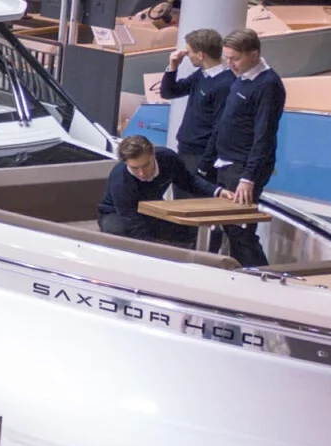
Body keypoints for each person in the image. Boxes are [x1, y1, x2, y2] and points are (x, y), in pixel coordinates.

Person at [210, 28, 286, 267]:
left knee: (240, 230)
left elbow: (264, 135)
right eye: (227, 58)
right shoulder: (241, 77)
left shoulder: (268, 85)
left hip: (243, 167)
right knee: (227, 226)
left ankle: (262, 275)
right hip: (226, 162)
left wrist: (248, 177)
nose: (229, 64)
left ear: (253, 55)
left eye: (235, 58)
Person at [99, 134, 228, 246]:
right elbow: (133, 223)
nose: (142, 173)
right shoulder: (120, 180)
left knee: (199, 231)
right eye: (135, 168)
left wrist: (218, 191)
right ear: (126, 163)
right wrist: (157, 250)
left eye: (146, 165)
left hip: (151, 209)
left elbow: (188, 181)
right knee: (120, 231)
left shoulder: (167, 158)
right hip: (116, 212)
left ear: (153, 154)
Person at [159, 28, 234, 185]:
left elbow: (220, 127)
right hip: (186, 149)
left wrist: (204, 165)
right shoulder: (202, 74)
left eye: (188, 52)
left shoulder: (225, 84)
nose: (186, 55)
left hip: (200, 154)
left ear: (201, 55)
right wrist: (173, 67)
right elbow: (169, 92)